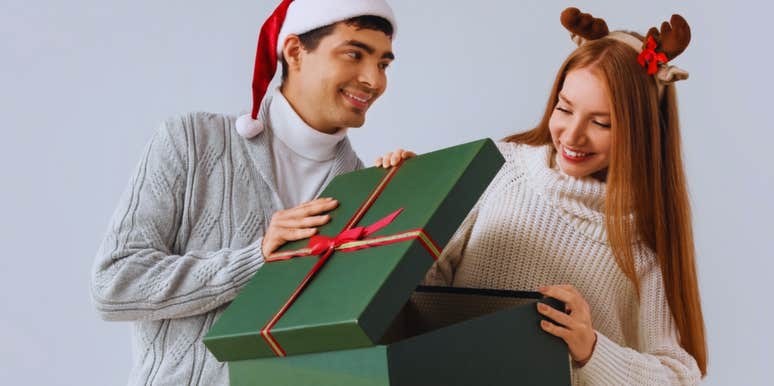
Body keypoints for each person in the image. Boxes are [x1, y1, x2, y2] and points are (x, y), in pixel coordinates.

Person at [378, 7, 706, 385]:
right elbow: (423, 293)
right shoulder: (497, 168)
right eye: (564, 109)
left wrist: (592, 348)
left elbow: (680, 376)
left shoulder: (646, 241)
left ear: (642, 129)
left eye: (601, 122)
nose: (572, 135)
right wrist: (414, 205)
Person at [90, 1, 406, 384]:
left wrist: (412, 196)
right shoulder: (192, 140)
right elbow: (115, 284)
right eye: (354, 54)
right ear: (294, 51)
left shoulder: (366, 189)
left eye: (384, 64)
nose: (374, 80)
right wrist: (256, 259)